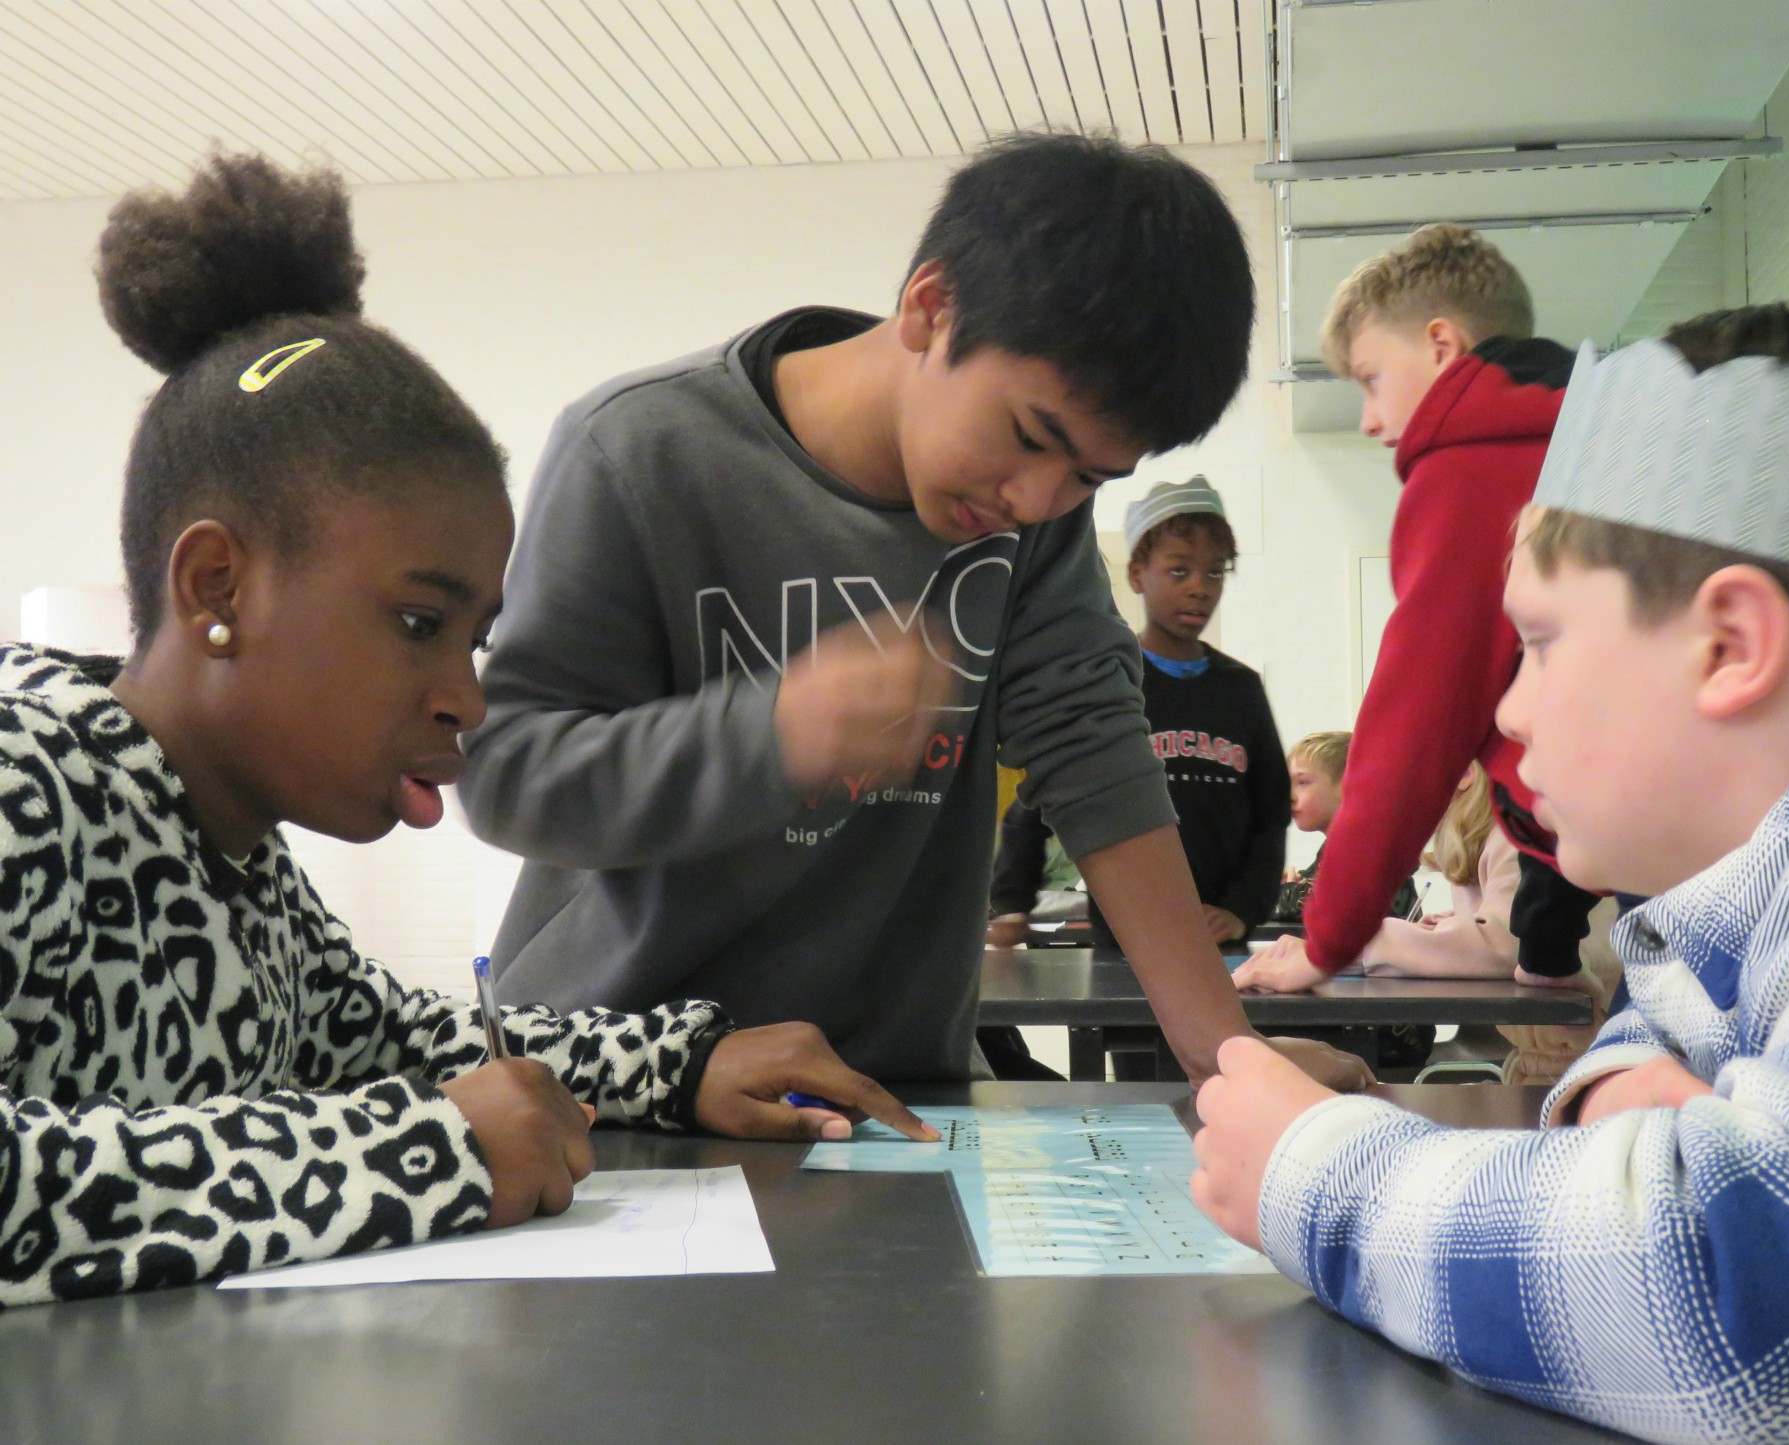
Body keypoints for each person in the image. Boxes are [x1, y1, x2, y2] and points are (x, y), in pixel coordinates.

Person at [0, 154, 929, 1309]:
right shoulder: (23, 783)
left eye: (472, 639)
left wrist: (678, 1062)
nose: (465, 697)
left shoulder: (233, 852)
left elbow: (383, 1034)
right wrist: (415, 1152)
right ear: (216, 585)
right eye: (415, 621)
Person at [1191, 291, 1789, 1440]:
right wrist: (1636, 1102)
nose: (1508, 708)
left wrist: (1317, 1175)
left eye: (1538, 640)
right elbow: (1653, 1026)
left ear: (1728, 646)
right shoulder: (1775, 877)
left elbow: (1774, 1308)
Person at [459, 133, 1358, 1090]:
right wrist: (768, 734)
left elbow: (1096, 753)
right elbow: (508, 772)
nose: (1034, 499)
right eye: (1027, 437)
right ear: (931, 308)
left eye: (1088, 477)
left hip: (882, 1090)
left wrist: (1231, 1064)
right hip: (616, 1081)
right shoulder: (637, 450)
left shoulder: (1036, 515)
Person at [1234, 224, 1598, 996]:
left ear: (1440, 345)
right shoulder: (1601, 427)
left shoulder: (1465, 468)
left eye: (1369, 379)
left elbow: (1417, 722)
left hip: (1611, 870)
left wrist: (1327, 939)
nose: (1369, 419)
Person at [987, 477, 1288, 951]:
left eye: (1214, 573)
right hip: (1123, 941)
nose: (1198, 589)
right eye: (1178, 571)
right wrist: (1011, 902)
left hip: (1220, 944)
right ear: (1135, 575)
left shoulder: (1241, 690)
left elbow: (1271, 815)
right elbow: (1040, 799)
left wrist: (1242, 910)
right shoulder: (1109, 684)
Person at [1355, 763, 1619, 1084]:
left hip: (1588, 1063)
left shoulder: (1515, 839)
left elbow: (1509, 944)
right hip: (1559, 1059)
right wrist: (1454, 926)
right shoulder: (1493, 840)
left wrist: (1364, 942)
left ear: (1465, 772)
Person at [1271, 731, 1418, 924]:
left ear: (1348, 785)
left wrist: (1286, 891)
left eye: (1303, 782)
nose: (1290, 795)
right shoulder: (1339, 846)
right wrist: (1293, 884)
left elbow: (1317, 905)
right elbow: (1313, 884)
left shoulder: (1364, 846)